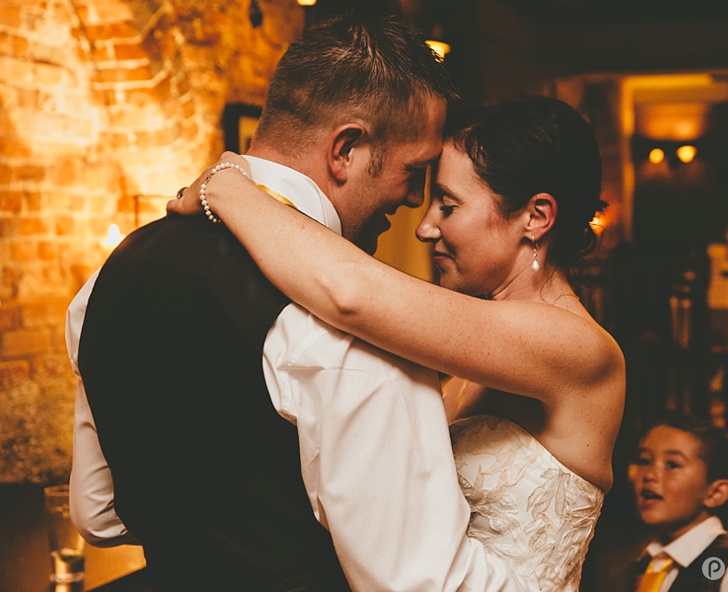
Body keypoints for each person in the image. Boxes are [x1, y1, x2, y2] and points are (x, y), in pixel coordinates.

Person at [67, 13, 529, 592]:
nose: (415, 199)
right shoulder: (352, 331)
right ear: (347, 150)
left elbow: (98, 515)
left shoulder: (106, 282)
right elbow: (427, 584)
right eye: (414, 171)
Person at [170, 95, 627, 591]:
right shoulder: (483, 335)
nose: (426, 226)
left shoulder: (579, 349)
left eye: (448, 206)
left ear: (536, 217)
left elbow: (350, 293)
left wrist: (228, 187)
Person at [627, 414, 728, 592]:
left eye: (672, 464)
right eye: (644, 461)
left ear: (715, 493)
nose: (649, 475)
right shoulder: (649, 559)